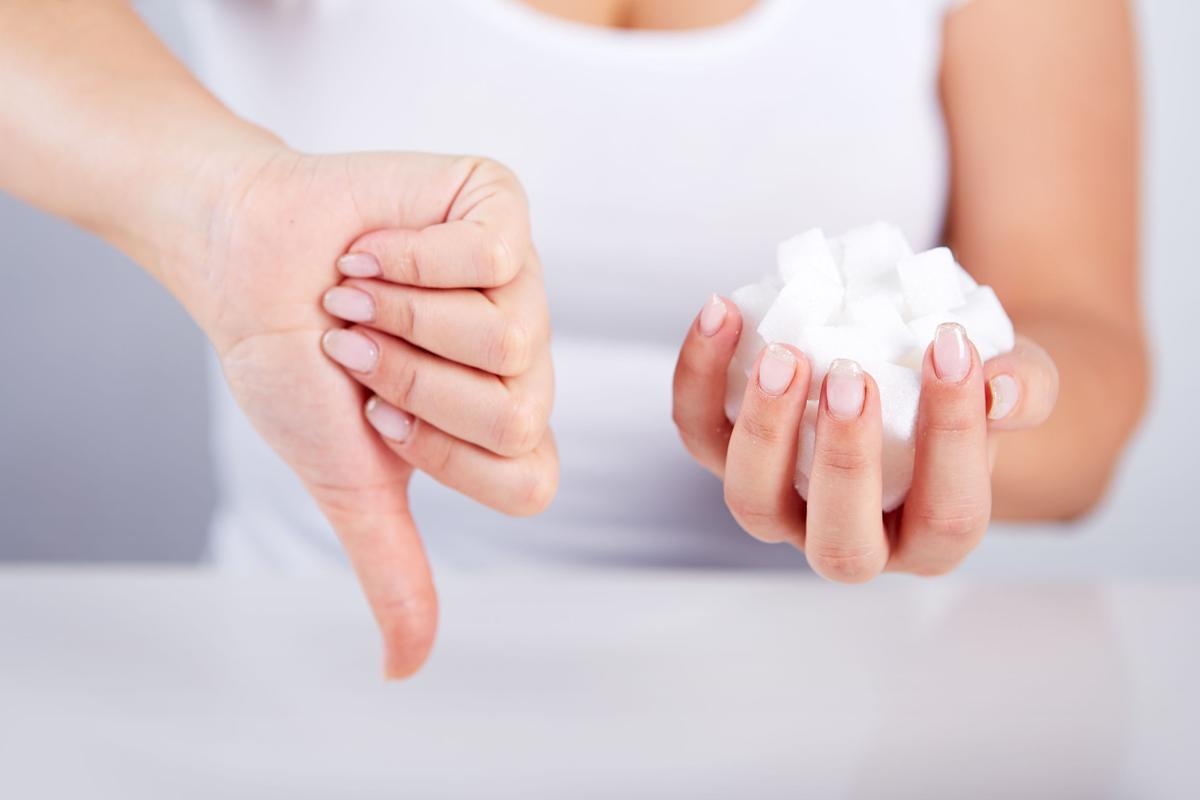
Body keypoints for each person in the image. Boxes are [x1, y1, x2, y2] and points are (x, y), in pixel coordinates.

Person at [0, 0, 1146, 677]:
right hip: (319, 693)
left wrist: (936, 437)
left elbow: (1081, 346)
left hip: (839, 732)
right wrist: (223, 207)